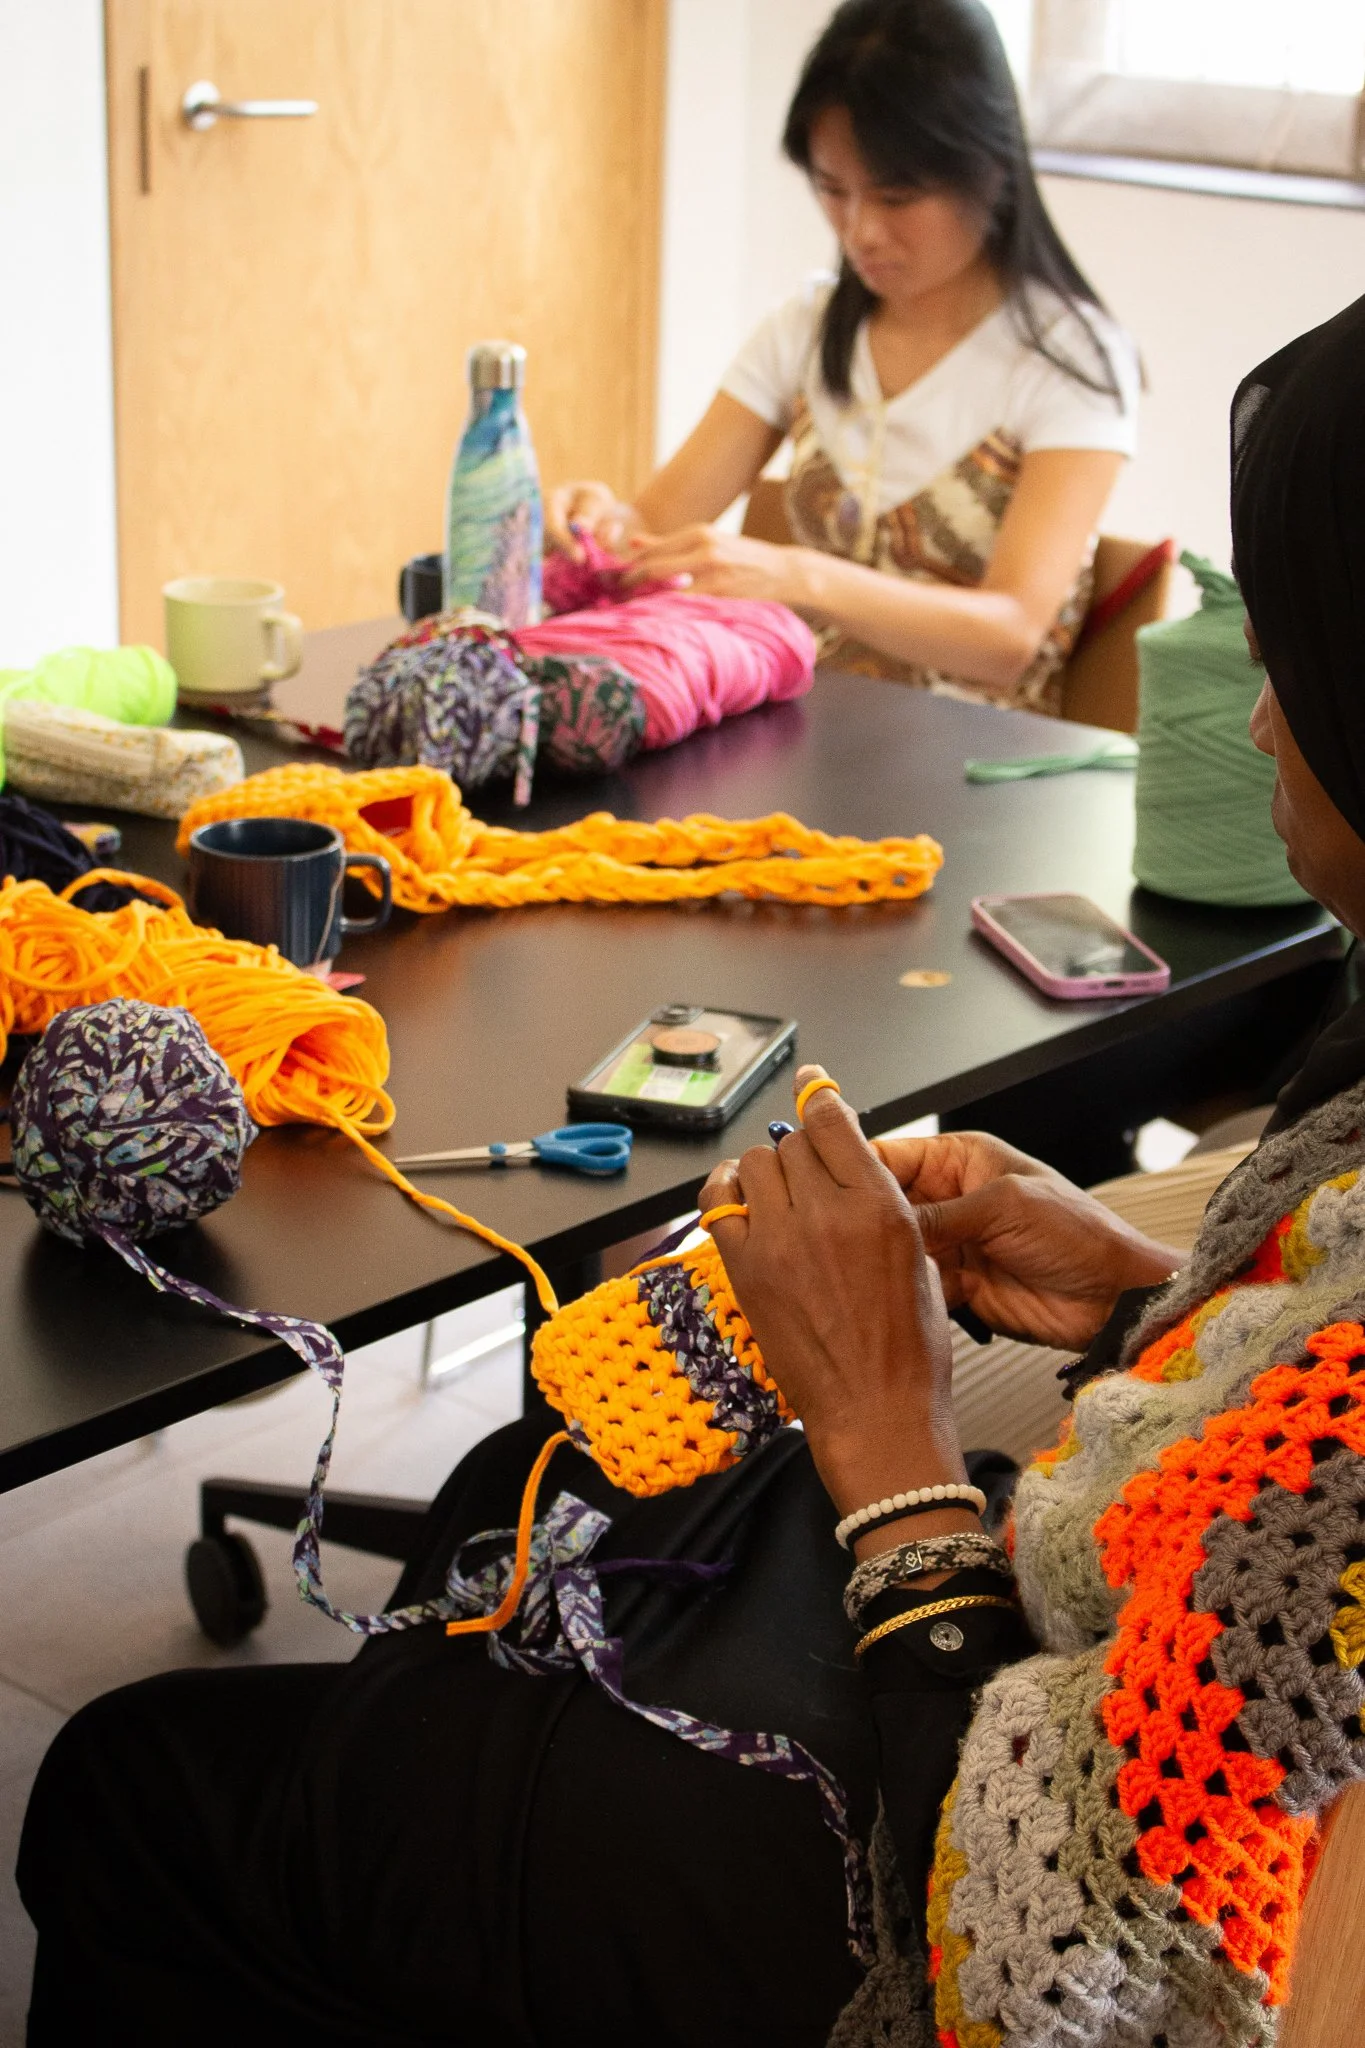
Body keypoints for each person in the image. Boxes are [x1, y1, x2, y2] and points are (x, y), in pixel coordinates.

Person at [17, 298, 1365, 2046]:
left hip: (907, 1882)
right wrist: (1136, 1297)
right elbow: (1259, 1447)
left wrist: (884, 1437)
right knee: (519, 1490)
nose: (1256, 724)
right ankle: (425, 1788)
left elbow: (1061, 1978)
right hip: (1019, 1659)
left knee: (123, 1776)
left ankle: (410, 1832)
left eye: (1297, 664)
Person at [547, 0, 1140, 712]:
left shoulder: (1070, 362)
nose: (860, 232)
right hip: (796, 734)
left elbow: (1008, 635)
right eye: (832, 189)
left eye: (895, 196)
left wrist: (797, 577)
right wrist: (599, 526)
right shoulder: (804, 330)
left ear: (989, 169)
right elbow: (652, 531)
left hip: (979, 760)